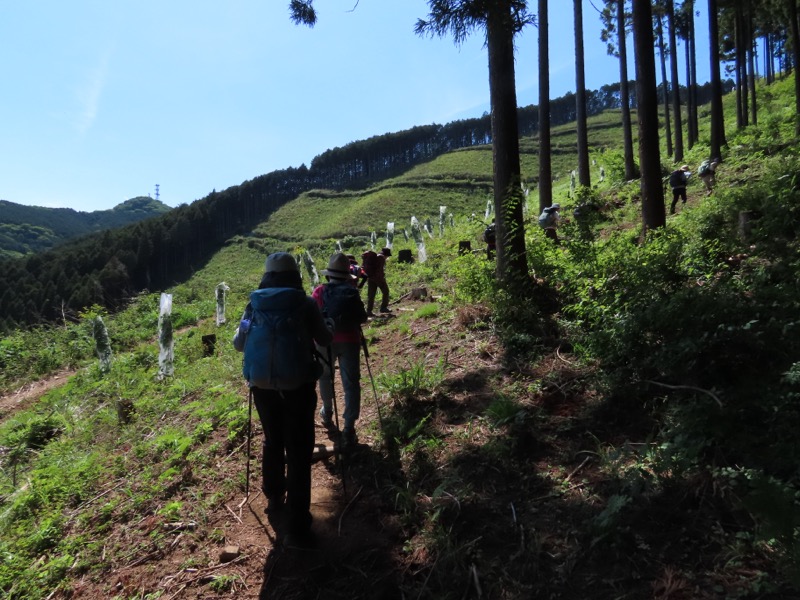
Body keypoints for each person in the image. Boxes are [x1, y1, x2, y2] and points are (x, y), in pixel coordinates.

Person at [232, 252, 333, 545]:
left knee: (273, 440)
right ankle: (298, 526)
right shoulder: (305, 303)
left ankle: (275, 496)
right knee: (299, 450)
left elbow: (240, 344)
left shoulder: (254, 304)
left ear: (267, 274)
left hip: (261, 385)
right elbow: (324, 339)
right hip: (298, 385)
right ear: (294, 274)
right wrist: (330, 326)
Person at [312, 252, 368, 450]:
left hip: (324, 340)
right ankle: (349, 427)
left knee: (325, 377)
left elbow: (314, 317)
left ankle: (327, 411)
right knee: (351, 382)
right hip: (350, 340)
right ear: (346, 275)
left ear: (329, 274)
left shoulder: (319, 291)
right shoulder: (352, 291)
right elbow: (363, 317)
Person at [361, 247, 391, 316]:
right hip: (378, 278)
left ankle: (369, 311)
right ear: (386, 255)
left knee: (371, 295)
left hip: (370, 278)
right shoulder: (381, 258)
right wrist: (381, 278)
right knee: (386, 292)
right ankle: (383, 308)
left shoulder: (376, 257)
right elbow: (379, 270)